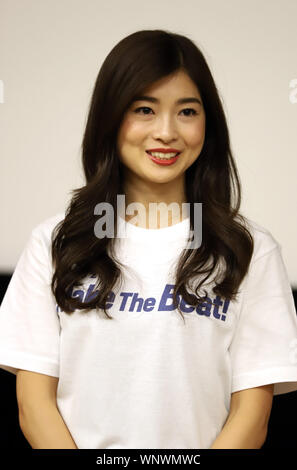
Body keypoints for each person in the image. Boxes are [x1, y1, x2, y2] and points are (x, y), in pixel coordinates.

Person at [0, 29, 297, 450]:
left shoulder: (248, 248)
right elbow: (34, 404)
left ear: (207, 124)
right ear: (110, 117)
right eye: (144, 109)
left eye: (187, 112)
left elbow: (252, 413)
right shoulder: (56, 241)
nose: (166, 132)